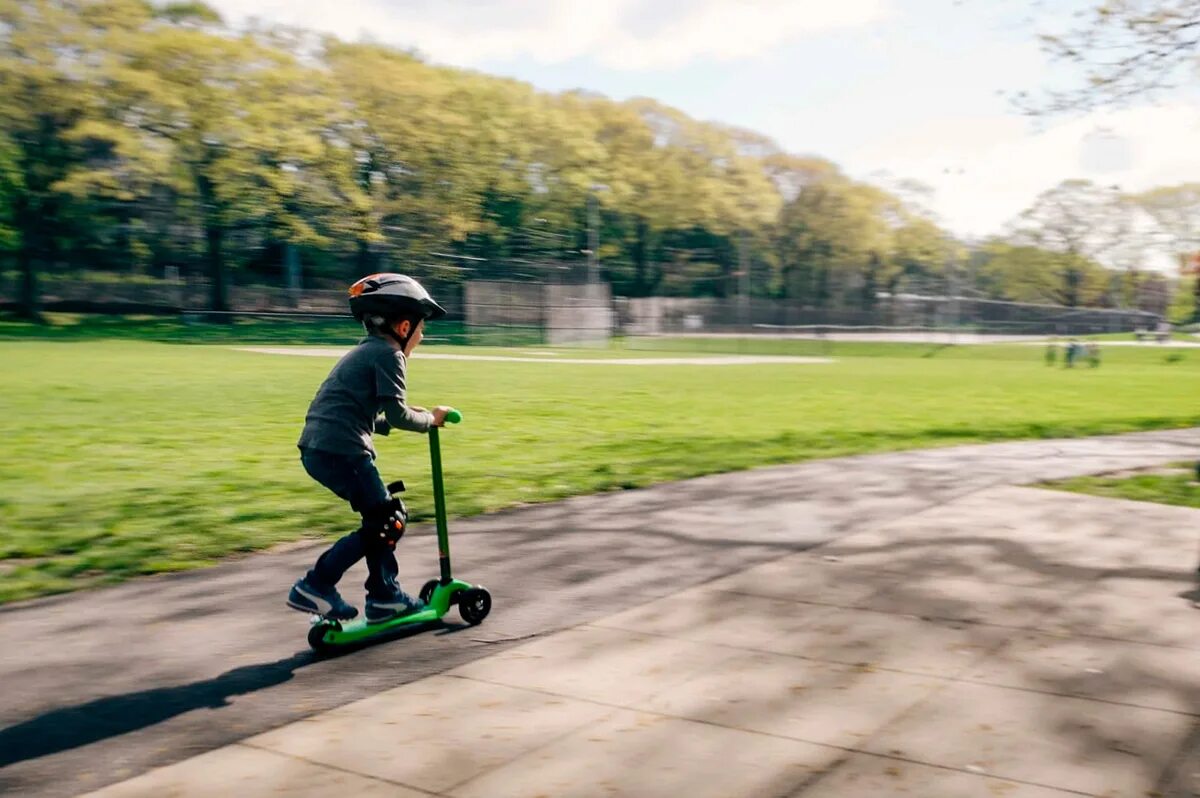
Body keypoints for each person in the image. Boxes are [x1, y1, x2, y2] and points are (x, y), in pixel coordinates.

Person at [286, 273, 453, 623]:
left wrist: (401, 417)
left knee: (381, 519)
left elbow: (362, 413)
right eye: (422, 330)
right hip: (343, 450)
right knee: (387, 521)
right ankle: (320, 585)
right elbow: (396, 413)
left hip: (320, 446)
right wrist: (431, 420)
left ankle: (383, 595)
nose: (421, 339)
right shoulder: (391, 355)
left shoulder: (365, 351)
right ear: (404, 326)